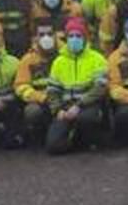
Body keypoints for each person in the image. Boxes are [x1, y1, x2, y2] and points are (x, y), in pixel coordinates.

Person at [45, 18, 109, 155]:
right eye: (71, 36)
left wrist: (79, 105)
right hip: (65, 107)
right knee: (53, 147)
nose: (74, 39)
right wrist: (58, 110)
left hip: (88, 106)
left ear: (85, 38)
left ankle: (89, 138)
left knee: (86, 119)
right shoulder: (58, 61)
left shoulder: (97, 58)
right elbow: (52, 90)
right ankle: (74, 138)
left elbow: (100, 88)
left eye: (78, 36)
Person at [15, 25, 59, 145]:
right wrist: (41, 97)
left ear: (56, 36)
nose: (46, 38)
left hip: (63, 100)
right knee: (32, 112)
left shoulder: (64, 55)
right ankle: (38, 136)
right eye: (42, 35)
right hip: (41, 101)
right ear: (35, 38)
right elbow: (21, 86)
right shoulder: (27, 60)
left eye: (50, 34)